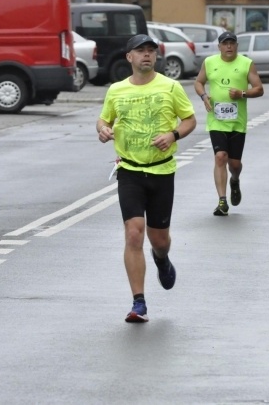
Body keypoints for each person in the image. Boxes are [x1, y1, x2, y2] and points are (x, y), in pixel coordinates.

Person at [97, 34, 197, 323]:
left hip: (162, 171)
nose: (147, 55)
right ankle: (138, 301)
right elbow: (104, 119)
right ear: (129, 57)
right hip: (129, 170)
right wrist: (103, 129)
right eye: (140, 51)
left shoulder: (171, 86)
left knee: (159, 239)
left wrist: (173, 134)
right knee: (133, 232)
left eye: (151, 51)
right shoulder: (116, 90)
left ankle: (162, 259)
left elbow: (189, 119)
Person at [194, 31, 264, 216]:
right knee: (220, 157)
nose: (229, 47)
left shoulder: (246, 64)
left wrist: (242, 93)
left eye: (232, 43)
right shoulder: (209, 63)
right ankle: (222, 201)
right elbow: (199, 82)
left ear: (236, 46)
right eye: (225, 43)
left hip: (237, 123)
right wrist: (203, 96)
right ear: (219, 46)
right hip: (216, 121)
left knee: (234, 164)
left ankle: (235, 179)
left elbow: (259, 89)